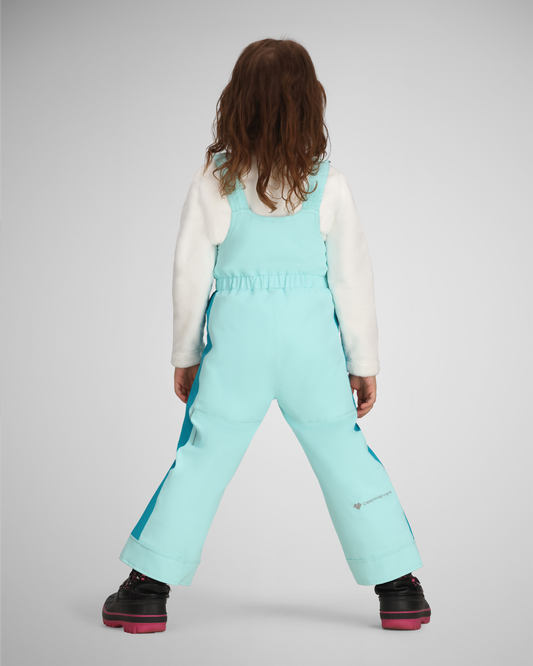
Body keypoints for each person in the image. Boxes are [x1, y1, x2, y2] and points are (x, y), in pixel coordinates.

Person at [101, 37, 431, 634]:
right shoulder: (329, 183)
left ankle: (147, 591)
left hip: (238, 346)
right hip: (312, 348)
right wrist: (363, 363)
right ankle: (399, 588)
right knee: (344, 452)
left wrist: (186, 353)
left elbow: (189, 274)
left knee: (203, 457)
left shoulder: (215, 179)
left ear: (237, 103)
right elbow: (353, 280)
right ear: (310, 103)